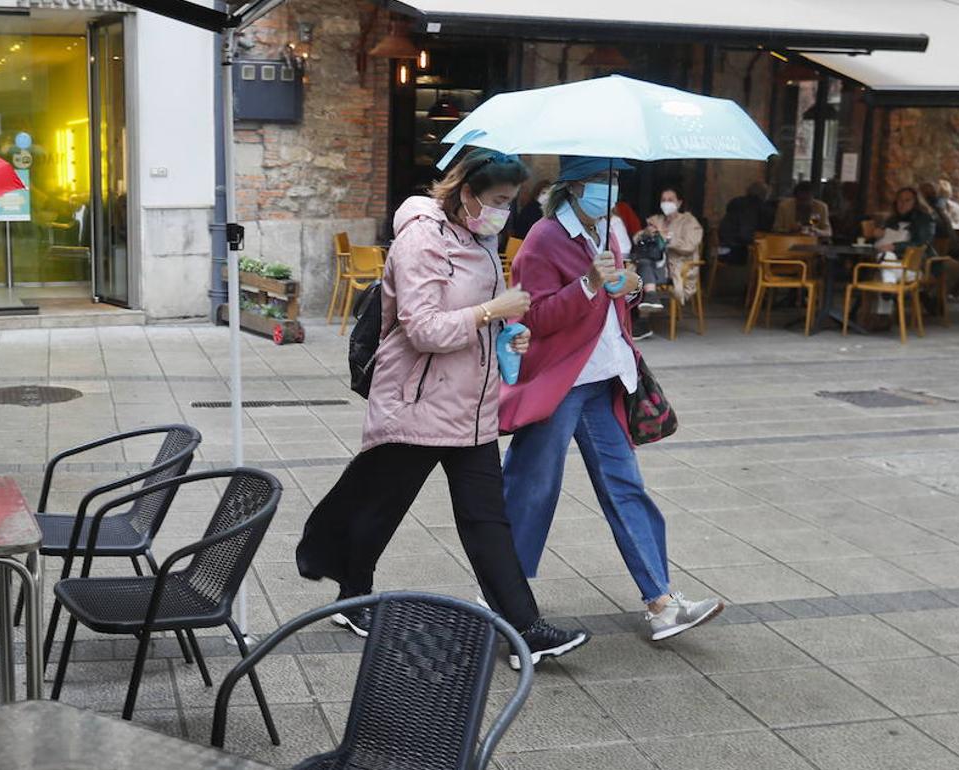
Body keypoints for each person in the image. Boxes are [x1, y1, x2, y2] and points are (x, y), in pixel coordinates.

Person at [295, 149, 589, 669]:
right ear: (467, 193)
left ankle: (526, 630)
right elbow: (423, 327)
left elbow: (483, 317)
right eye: (497, 200)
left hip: (470, 405)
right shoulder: (421, 238)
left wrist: (506, 333)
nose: (504, 211)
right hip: (417, 399)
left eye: (510, 202)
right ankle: (349, 591)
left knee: (485, 517)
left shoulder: (481, 236)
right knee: (380, 502)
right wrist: (489, 311)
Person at [499, 155, 724, 643]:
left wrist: (633, 287)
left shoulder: (607, 233)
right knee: (532, 488)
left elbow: (615, 303)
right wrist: (590, 283)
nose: (612, 189)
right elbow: (532, 317)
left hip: (604, 380)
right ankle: (502, 596)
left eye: (616, 179)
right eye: (603, 179)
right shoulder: (543, 240)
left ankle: (661, 601)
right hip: (560, 383)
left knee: (626, 486)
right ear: (575, 187)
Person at [634, 187, 703, 310]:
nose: (666, 203)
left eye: (670, 200)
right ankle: (651, 297)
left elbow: (690, 246)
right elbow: (636, 239)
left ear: (679, 203)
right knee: (642, 263)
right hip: (654, 263)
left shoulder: (689, 222)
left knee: (643, 267)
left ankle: (644, 318)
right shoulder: (656, 220)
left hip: (676, 268)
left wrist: (668, 240)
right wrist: (646, 233)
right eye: (663, 200)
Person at [719, 181, 770, 264]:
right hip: (736, 252)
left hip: (722, 248)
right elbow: (745, 235)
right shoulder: (756, 207)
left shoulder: (736, 203)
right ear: (763, 195)